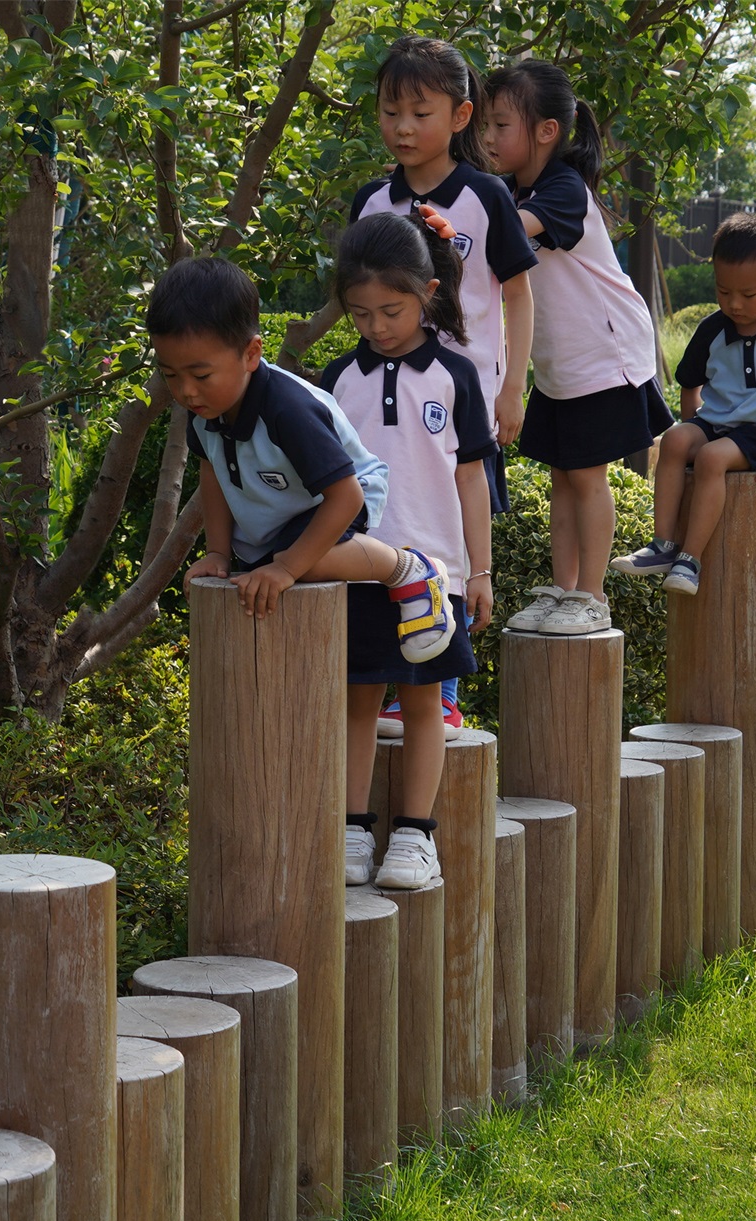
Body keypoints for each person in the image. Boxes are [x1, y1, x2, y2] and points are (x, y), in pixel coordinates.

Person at [293, 34, 538, 731]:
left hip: (459, 396)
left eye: (420, 112)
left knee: (457, 524)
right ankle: (388, 672)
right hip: (382, 397)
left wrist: (512, 385)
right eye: (390, 112)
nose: (403, 127)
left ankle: (440, 681)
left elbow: (518, 294)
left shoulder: (486, 195)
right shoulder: (372, 200)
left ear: (460, 117)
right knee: (384, 519)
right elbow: (356, 297)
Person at [157, 255, 455, 664]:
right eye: (171, 375)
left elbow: (345, 497)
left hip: (342, 496)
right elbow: (214, 474)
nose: (187, 391)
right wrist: (218, 554)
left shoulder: (288, 410)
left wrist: (287, 568)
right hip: (283, 513)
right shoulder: (207, 410)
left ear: (251, 353)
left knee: (302, 563)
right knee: (270, 569)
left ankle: (410, 569)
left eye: (201, 375)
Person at [321, 210, 496, 886]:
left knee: (425, 702)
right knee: (357, 699)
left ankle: (416, 835)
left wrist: (477, 571)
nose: (377, 326)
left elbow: (471, 477)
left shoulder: (455, 376)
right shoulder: (338, 380)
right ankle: (353, 828)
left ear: (427, 292)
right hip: (356, 569)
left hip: (433, 576)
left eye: (390, 309)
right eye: (360, 314)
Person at [483, 59, 672, 635]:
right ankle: (563, 592)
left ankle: (592, 597)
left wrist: (455, 218)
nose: (487, 138)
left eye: (499, 125)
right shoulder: (516, 187)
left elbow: (510, 231)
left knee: (586, 477)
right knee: (563, 477)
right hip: (562, 365)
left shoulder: (562, 187)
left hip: (605, 354)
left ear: (545, 131)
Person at [613, 212, 756, 595]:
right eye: (723, 291)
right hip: (715, 422)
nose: (734, 304)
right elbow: (689, 384)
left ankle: (689, 560)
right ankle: (663, 545)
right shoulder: (712, 328)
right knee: (676, 440)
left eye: (748, 294)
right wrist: (693, 426)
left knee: (712, 458)